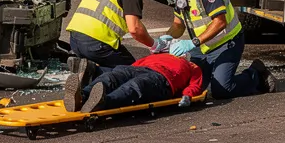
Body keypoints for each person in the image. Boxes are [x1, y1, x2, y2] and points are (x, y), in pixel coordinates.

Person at [155, 0, 275, 98]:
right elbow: (178, 25)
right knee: (192, 87)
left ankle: (256, 75)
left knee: (222, 90)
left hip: (227, 43)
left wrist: (192, 43)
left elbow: (220, 22)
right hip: (203, 47)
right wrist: (166, 37)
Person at [64, 51, 206, 114]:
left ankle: (104, 101)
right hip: (138, 68)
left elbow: (195, 85)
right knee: (112, 77)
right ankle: (83, 95)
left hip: (163, 79)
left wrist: (187, 96)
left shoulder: (192, 67)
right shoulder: (164, 54)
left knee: (135, 87)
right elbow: (137, 63)